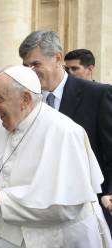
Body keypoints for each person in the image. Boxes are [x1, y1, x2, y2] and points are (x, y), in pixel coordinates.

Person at [0, 65, 111, 248]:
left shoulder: (65, 132)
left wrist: (1, 197)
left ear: (25, 99)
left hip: (54, 241)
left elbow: (64, 208)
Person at [19, 31, 112, 228]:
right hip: (39, 211)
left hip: (86, 210)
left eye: (36, 64)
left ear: (58, 58)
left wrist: (110, 192)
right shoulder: (26, 101)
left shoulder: (97, 95)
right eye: (26, 66)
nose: (30, 71)